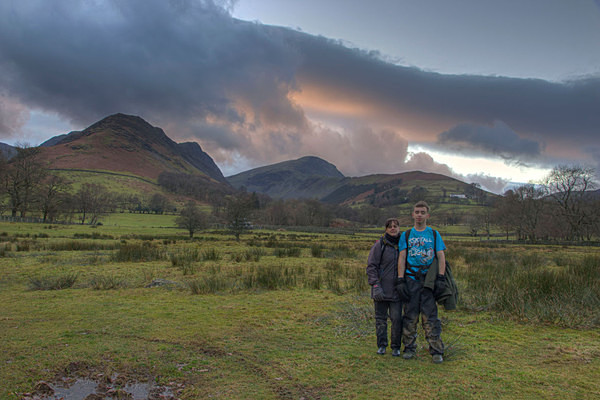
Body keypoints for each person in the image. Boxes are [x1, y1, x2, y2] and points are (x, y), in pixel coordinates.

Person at [395, 200, 446, 363]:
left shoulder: (434, 234)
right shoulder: (406, 235)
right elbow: (402, 257)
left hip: (429, 281)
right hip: (410, 278)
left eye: (422, 212)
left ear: (427, 215)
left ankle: (436, 350)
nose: (419, 215)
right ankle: (409, 347)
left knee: (430, 317)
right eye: (417, 212)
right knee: (410, 315)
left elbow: (441, 256)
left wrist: (441, 278)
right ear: (412, 214)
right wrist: (400, 279)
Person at [366, 218, 402, 356]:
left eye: (395, 226)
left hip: (397, 291)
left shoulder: (403, 245)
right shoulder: (380, 245)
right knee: (380, 319)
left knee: (397, 319)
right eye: (390, 227)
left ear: (399, 228)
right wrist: (375, 285)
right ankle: (381, 345)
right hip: (380, 289)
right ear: (386, 229)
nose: (393, 228)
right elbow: (371, 266)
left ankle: (396, 347)